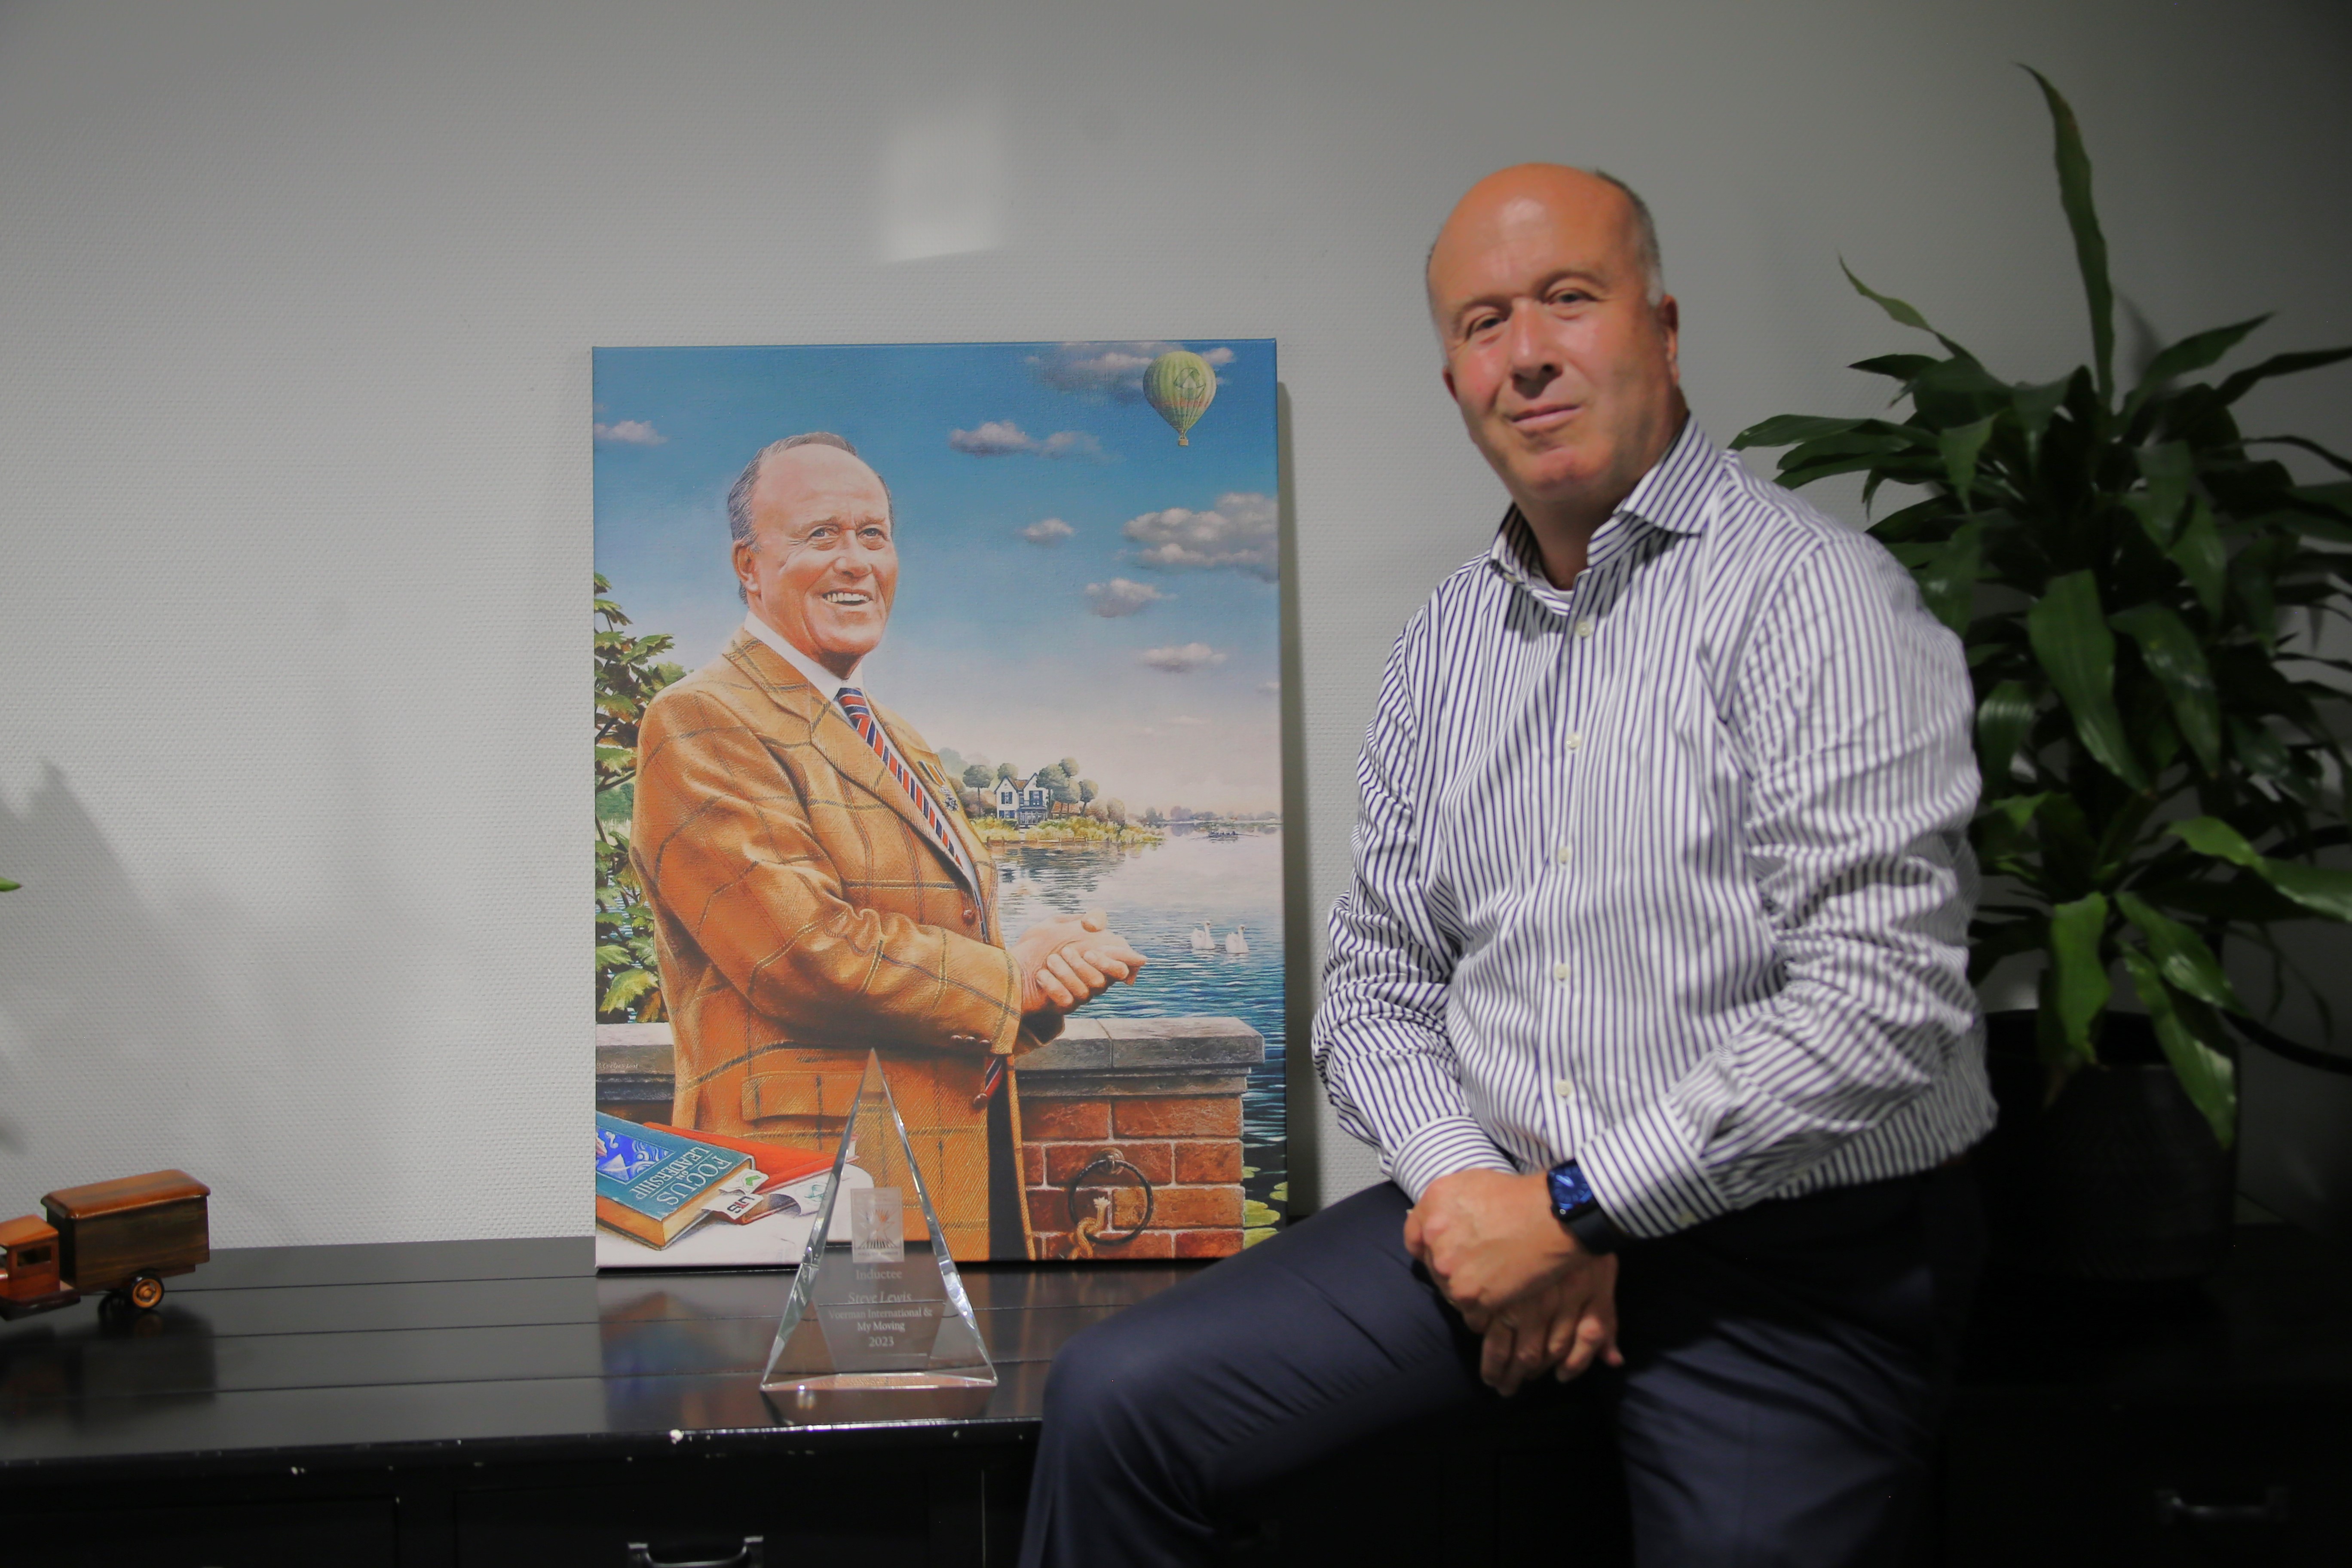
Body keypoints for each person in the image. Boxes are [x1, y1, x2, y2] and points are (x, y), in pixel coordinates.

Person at [1018, 165, 1995, 1565]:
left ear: (1661, 326)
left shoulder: (1818, 597)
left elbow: (1877, 1005)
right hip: (1492, 1199)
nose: (1525, 350)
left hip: (1792, 1255)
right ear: (1453, 378)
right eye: (1483, 322)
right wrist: (1475, 1197)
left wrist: (1581, 1208)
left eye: (1567, 300)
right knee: (1121, 1402)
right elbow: (1372, 985)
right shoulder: (1443, 644)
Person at [630, 432, 1146, 1261]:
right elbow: (806, 952)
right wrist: (1014, 976)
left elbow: (939, 937)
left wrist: (1038, 980)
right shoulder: (701, 719)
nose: (856, 562)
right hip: (816, 1188)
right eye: (820, 535)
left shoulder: (893, 736)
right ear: (748, 566)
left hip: (951, 1170)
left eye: (874, 535)